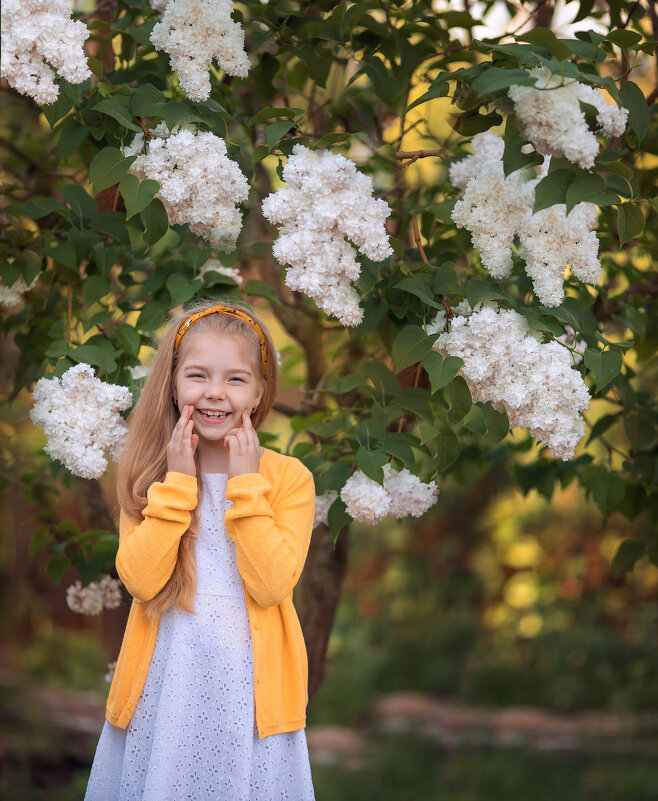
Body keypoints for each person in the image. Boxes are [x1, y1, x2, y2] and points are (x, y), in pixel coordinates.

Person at [84, 300, 317, 801]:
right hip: (165, 687)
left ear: (259, 390)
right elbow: (143, 582)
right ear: (172, 382)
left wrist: (247, 485)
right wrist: (178, 484)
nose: (215, 393)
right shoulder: (150, 475)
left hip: (250, 696)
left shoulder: (288, 479)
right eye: (198, 376)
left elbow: (273, 585)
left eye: (236, 379)